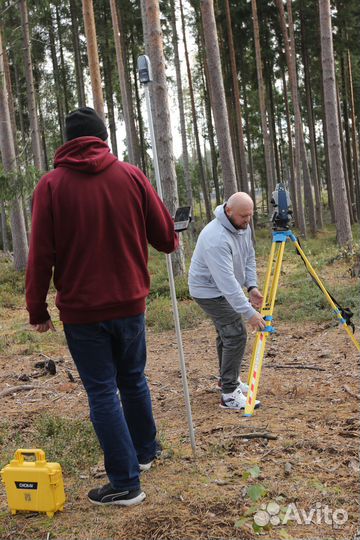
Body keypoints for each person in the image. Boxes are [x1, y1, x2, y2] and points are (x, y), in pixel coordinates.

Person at [26, 107, 179, 506]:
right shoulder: (130, 175)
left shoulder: (51, 186)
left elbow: (41, 252)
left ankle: (126, 483)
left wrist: (37, 309)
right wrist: (170, 241)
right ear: (103, 137)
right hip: (130, 303)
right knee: (133, 379)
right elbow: (165, 237)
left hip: (83, 312)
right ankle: (146, 452)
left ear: (66, 141)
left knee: (102, 392)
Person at [188, 192, 265, 411]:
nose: (247, 220)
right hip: (207, 291)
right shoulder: (216, 238)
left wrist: (252, 286)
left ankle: (226, 379)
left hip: (223, 288)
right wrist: (249, 313)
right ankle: (229, 394)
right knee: (235, 332)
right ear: (228, 211)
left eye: (250, 215)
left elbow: (249, 255)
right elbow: (227, 283)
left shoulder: (242, 225)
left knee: (227, 332)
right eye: (243, 216)